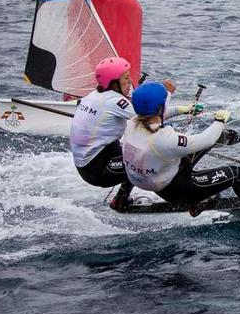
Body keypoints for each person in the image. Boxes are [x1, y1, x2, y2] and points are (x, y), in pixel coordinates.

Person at [121, 81, 240, 216]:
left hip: (151, 178)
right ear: (159, 108)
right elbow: (206, 139)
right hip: (178, 189)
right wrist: (219, 121)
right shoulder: (164, 139)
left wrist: (183, 110)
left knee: (196, 148)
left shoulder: (132, 123)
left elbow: (156, 114)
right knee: (236, 173)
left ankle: (234, 136)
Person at [70, 57, 198, 211]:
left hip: (94, 160)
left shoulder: (95, 95)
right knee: (147, 157)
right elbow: (151, 116)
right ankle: (186, 200)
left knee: (136, 148)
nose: (130, 82)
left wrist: (183, 109)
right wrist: (167, 94)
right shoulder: (114, 101)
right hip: (97, 169)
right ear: (113, 82)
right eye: (125, 78)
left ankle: (120, 199)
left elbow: (146, 114)